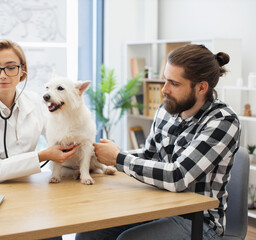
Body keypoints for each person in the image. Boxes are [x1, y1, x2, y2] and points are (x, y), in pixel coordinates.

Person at [76, 44, 241, 240]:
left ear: (201, 87)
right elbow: (150, 156)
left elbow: (177, 176)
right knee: (90, 233)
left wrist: (118, 158)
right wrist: (96, 156)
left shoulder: (222, 121)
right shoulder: (167, 110)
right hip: (159, 207)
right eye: (165, 80)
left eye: (174, 83)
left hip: (199, 222)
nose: (164, 89)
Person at [0, 39, 78, 184]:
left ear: (22, 70)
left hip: (29, 185)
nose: (2, 75)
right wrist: (41, 156)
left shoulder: (35, 102)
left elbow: (61, 138)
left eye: (10, 67)